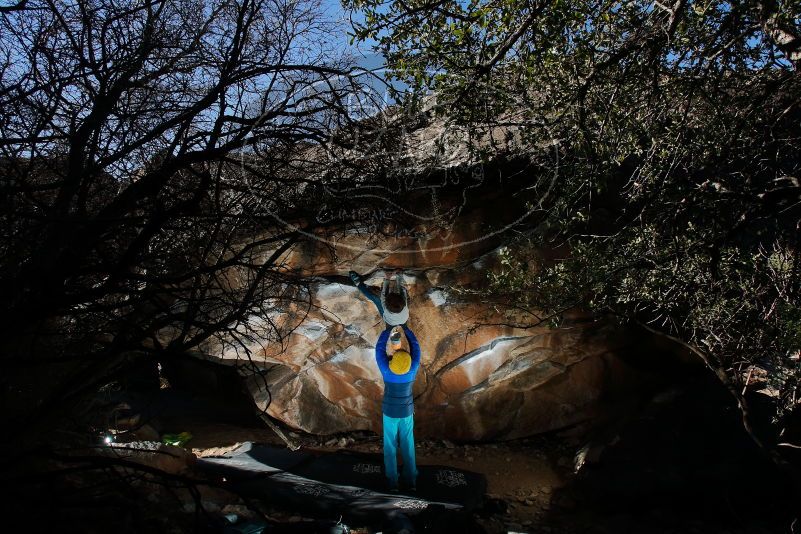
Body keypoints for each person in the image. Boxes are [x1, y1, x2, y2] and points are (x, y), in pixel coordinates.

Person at [375, 323, 421, 492]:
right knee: (408, 444)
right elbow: (416, 348)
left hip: (390, 413)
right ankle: (411, 481)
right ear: (408, 361)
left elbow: (379, 350)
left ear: (393, 360)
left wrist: (388, 330)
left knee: (390, 446)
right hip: (407, 412)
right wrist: (407, 328)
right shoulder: (413, 368)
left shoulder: (387, 370)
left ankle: (393, 482)